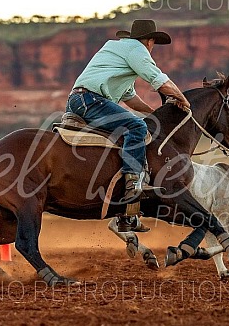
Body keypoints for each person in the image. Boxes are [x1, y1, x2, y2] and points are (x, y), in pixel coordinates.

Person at [66, 19, 190, 232]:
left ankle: (126, 212)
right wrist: (182, 99)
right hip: (91, 100)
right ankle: (133, 186)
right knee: (138, 129)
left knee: (132, 127)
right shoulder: (136, 49)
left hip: (81, 100)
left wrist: (153, 113)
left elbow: (129, 97)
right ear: (150, 41)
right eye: (153, 44)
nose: (152, 48)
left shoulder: (117, 50)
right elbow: (158, 80)